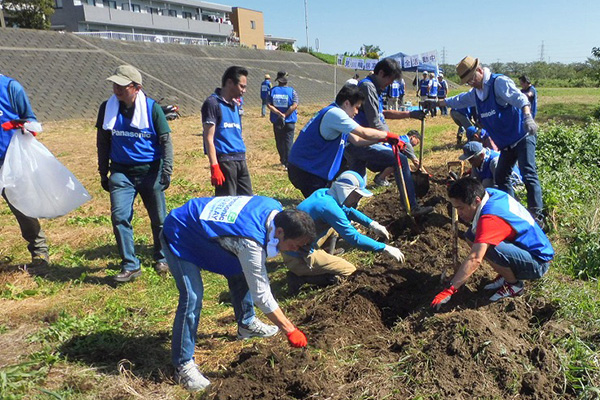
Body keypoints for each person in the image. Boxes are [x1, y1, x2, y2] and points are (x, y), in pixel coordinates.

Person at [161, 196, 316, 391]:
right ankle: (182, 366)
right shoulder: (250, 242)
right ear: (280, 232)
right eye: (294, 245)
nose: (294, 250)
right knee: (192, 297)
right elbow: (262, 295)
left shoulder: (274, 209)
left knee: (243, 268)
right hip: (180, 231)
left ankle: (247, 324)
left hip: (209, 231)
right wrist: (290, 329)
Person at [438, 56, 544, 227]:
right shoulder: (477, 94)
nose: (472, 82)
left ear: (480, 70)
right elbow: (459, 100)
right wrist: (438, 103)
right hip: (507, 144)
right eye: (468, 81)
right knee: (501, 176)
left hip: (523, 136)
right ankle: (513, 211)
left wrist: (527, 117)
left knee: (528, 173)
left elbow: (521, 98)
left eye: (472, 78)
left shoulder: (498, 83)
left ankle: (537, 217)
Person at [96, 65, 172, 282]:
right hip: (121, 172)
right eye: (115, 84)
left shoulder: (151, 108)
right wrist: (103, 172)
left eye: (122, 85)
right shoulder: (107, 108)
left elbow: (166, 141)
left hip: (150, 171)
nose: (117, 89)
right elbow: (102, 141)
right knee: (120, 217)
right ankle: (130, 265)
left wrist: (166, 171)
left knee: (158, 219)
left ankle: (162, 257)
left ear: (137, 87)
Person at [431, 178, 553, 309]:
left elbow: (475, 259)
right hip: (525, 248)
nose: (459, 214)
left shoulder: (490, 217)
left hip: (538, 263)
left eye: (461, 208)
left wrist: (451, 289)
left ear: (477, 200)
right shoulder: (490, 194)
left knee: (487, 246)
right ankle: (507, 274)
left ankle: (514, 284)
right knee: (472, 236)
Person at [283, 171, 405, 293]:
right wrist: (384, 248)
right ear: (345, 191)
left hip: (300, 243)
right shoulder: (328, 208)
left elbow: (347, 210)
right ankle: (301, 277)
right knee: (350, 270)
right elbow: (354, 238)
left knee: (334, 226)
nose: (358, 199)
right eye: (357, 195)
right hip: (298, 255)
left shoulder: (324, 193)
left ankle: (325, 257)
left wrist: (372, 224)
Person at [344, 58, 432, 215]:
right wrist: (391, 139)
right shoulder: (367, 86)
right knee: (400, 160)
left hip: (360, 142)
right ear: (381, 73)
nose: (389, 85)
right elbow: (375, 122)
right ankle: (412, 208)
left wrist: (410, 114)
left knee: (357, 184)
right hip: (359, 142)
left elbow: (382, 113)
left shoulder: (374, 88)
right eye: (389, 80)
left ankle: (345, 215)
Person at [287, 84, 398, 198]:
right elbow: (363, 132)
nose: (357, 112)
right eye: (356, 107)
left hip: (307, 168)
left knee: (329, 203)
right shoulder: (335, 114)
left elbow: (357, 140)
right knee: (325, 208)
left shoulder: (335, 115)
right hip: (306, 170)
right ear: (346, 103)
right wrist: (389, 135)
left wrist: (382, 139)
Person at [0, 73, 49, 268]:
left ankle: (39, 251)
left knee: (21, 205)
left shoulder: (10, 88)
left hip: (9, 160)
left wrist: (24, 126)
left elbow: (30, 120)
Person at [202, 66, 252, 196]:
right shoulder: (213, 103)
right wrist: (214, 166)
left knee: (247, 202)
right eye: (242, 86)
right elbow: (209, 138)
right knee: (228, 205)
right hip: (226, 161)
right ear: (230, 82)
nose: (244, 91)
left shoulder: (237, 104)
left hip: (240, 158)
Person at [267, 71, 298, 170]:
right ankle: (288, 163)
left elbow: (268, 104)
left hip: (277, 121)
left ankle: (283, 160)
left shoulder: (272, 91)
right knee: (288, 142)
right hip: (290, 121)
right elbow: (295, 104)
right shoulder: (292, 91)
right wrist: (286, 114)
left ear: (278, 80)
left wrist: (278, 113)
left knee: (279, 141)